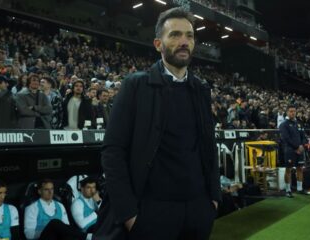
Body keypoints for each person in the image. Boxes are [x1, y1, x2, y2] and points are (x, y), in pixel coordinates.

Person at [101, 7, 220, 240]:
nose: (184, 41)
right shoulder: (136, 86)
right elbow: (112, 151)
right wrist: (129, 215)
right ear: (158, 44)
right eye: (175, 35)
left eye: (189, 35)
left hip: (198, 212)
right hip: (151, 214)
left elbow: (209, 147)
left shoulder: (201, 90)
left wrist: (212, 200)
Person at [24, 179, 90, 240]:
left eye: (52, 189)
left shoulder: (60, 206)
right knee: (55, 223)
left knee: (65, 232)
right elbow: (28, 234)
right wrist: (50, 230)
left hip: (59, 237)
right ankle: (86, 236)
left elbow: (66, 227)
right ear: (39, 191)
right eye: (46, 189)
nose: (50, 192)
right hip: (43, 238)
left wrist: (57, 231)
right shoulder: (31, 208)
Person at [279, 105, 308, 198]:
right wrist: (296, 147)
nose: (293, 113)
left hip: (300, 150)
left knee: (300, 169)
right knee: (288, 170)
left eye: (294, 111)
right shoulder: (283, 124)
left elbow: (303, 136)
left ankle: (299, 189)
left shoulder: (299, 123)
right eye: (291, 111)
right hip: (290, 150)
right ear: (287, 112)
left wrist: (302, 146)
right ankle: (288, 190)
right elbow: (286, 138)